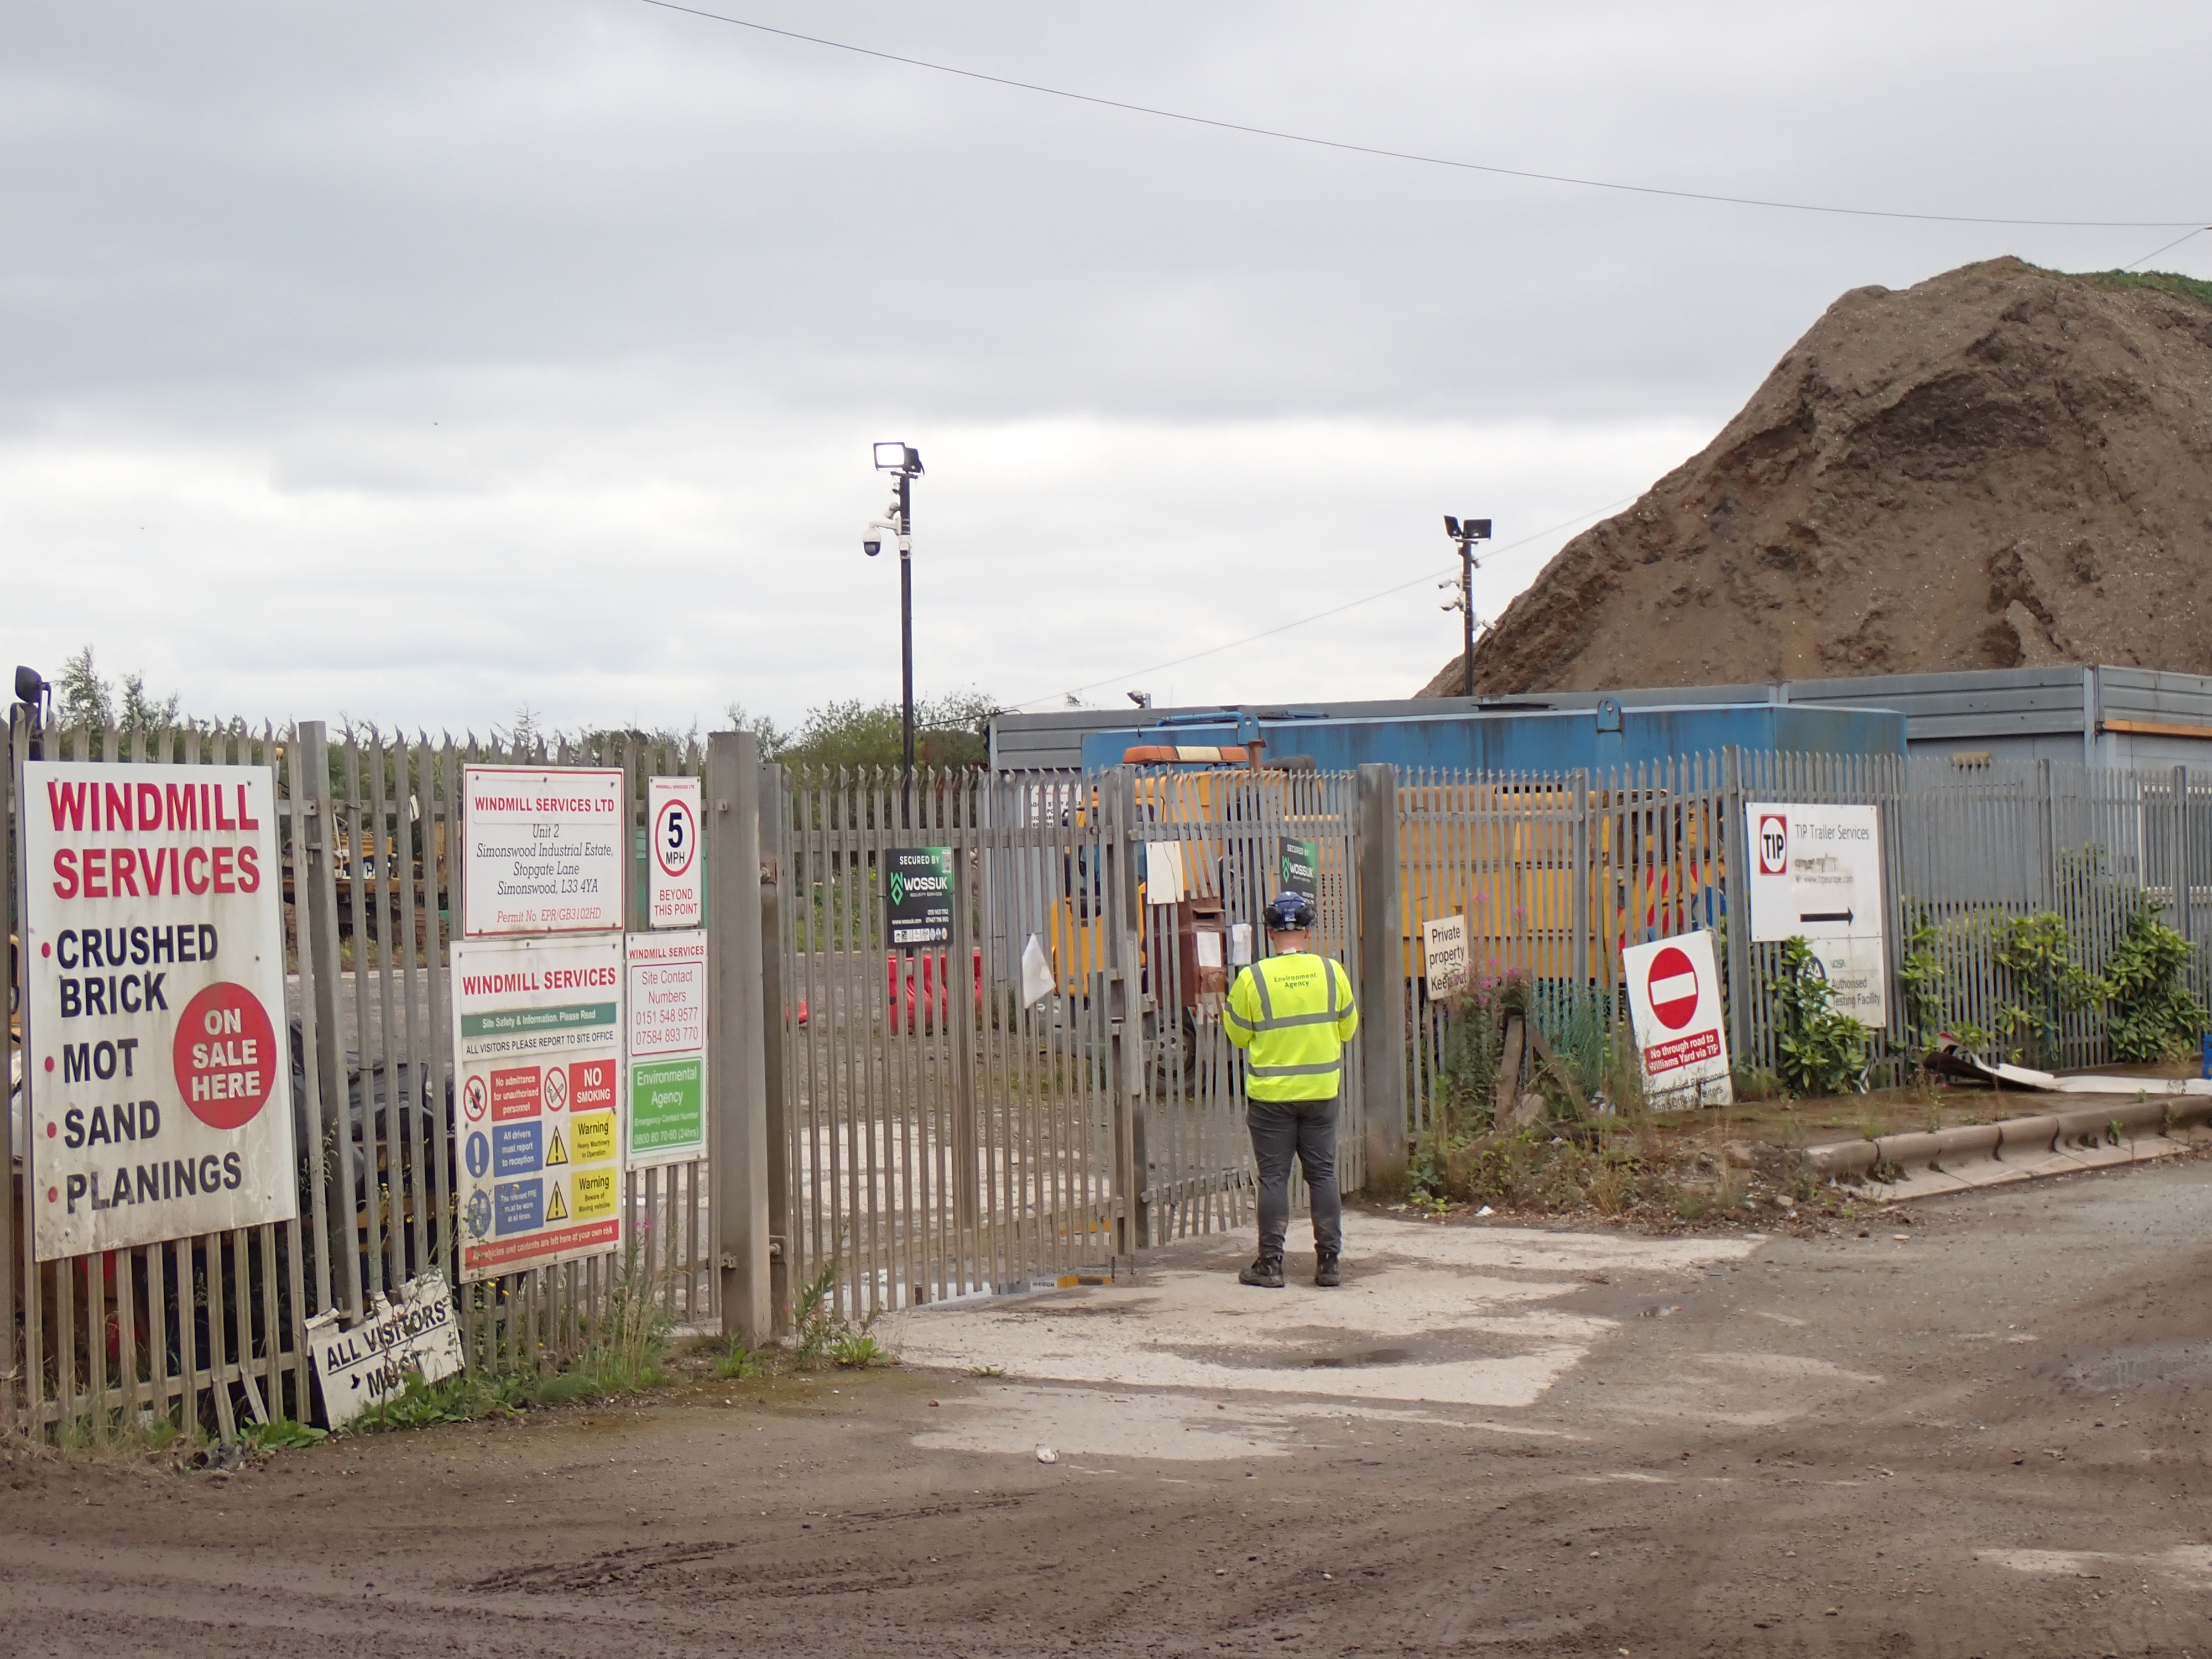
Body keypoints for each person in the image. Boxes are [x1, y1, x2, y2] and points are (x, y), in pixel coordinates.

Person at [1221, 890, 1359, 1288]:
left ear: (1269, 933)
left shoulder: (1253, 978)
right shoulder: (1333, 972)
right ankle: (1330, 1263)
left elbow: (1239, 1036)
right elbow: (1347, 1028)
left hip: (1271, 1098)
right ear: (1309, 932)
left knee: (1274, 1179)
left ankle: (1270, 1264)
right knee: (1323, 1174)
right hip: (1321, 1092)